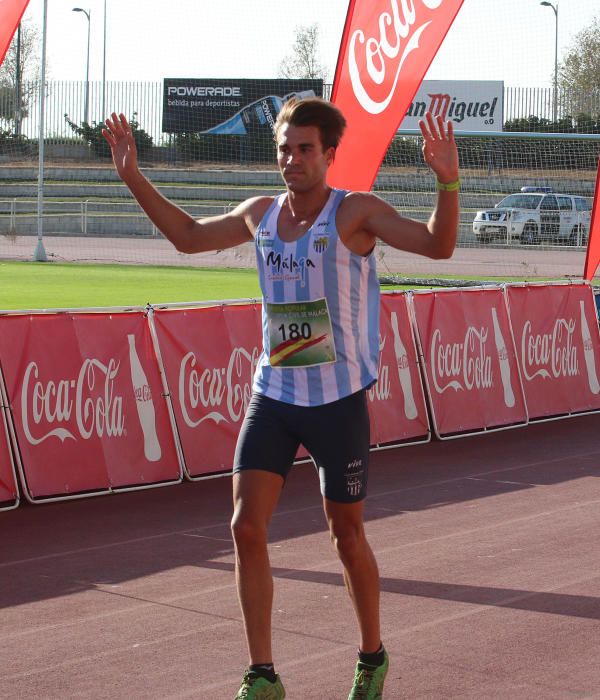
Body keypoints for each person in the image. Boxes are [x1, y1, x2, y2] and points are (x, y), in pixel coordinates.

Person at [102, 97, 459, 700]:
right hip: (274, 392)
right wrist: (134, 175)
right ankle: (262, 675)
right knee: (245, 526)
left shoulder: (356, 213)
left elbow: (437, 246)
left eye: (305, 150)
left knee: (345, 535)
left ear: (328, 154)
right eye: (284, 150)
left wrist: (447, 181)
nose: (292, 160)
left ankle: (371, 655)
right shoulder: (260, 213)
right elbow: (188, 239)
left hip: (338, 398)